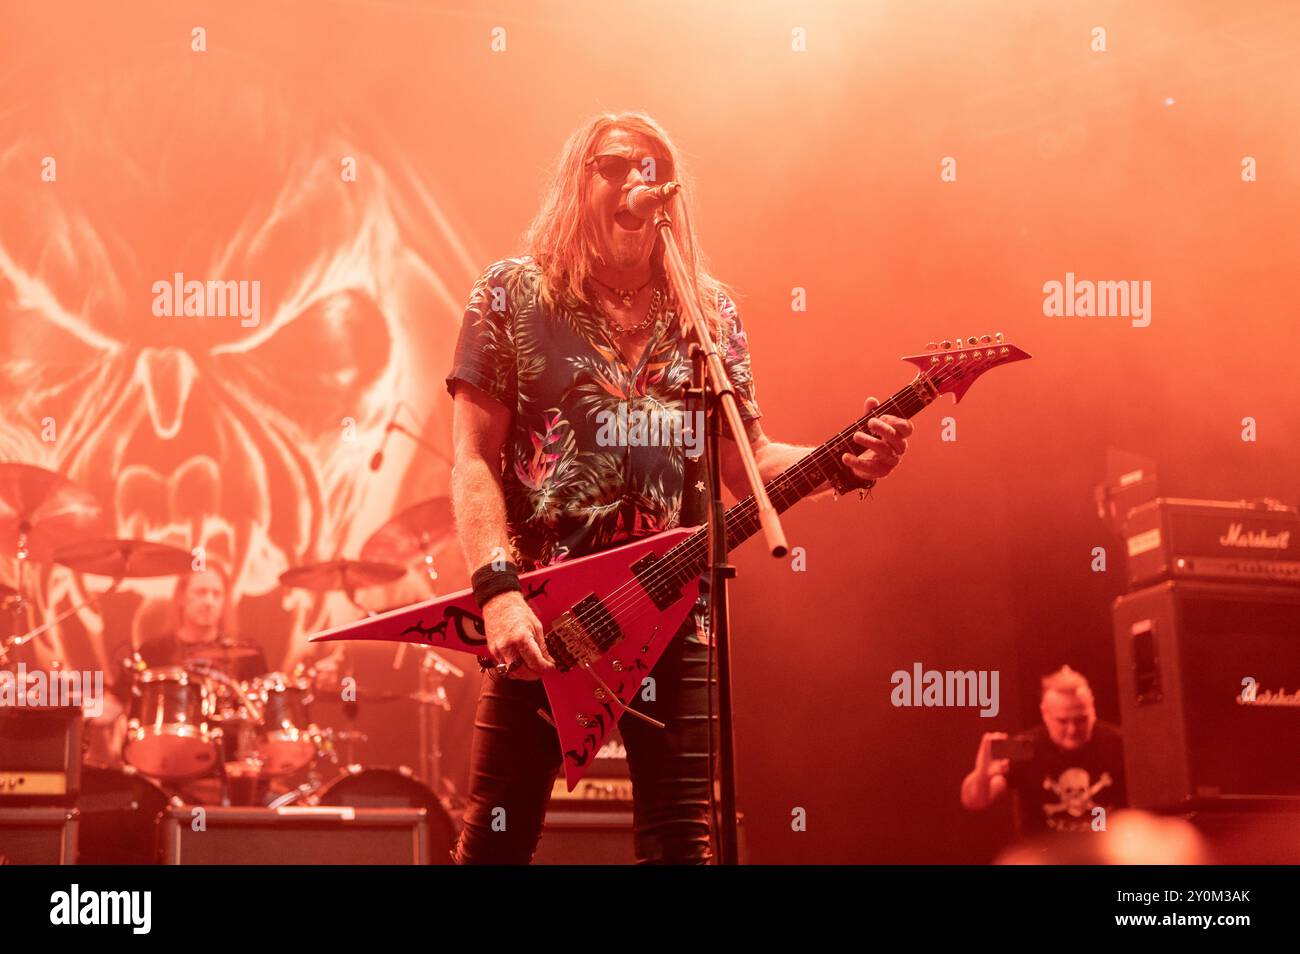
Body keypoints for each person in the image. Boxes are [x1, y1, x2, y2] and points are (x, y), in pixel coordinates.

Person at [446, 111, 912, 864]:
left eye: (651, 166)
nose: (637, 179)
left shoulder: (707, 311)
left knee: (682, 845)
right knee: (495, 845)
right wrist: (497, 591)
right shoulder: (512, 294)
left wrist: (846, 461)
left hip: (673, 613)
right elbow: (470, 457)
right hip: (547, 613)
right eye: (613, 164)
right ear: (576, 181)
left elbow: (747, 467)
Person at [961, 665, 1126, 836]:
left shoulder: (1118, 743)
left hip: (1107, 854)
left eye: (1081, 719)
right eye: (1063, 721)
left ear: (1093, 711)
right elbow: (975, 801)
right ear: (1044, 714)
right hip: (1043, 857)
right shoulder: (1024, 747)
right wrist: (982, 773)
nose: (1072, 729)